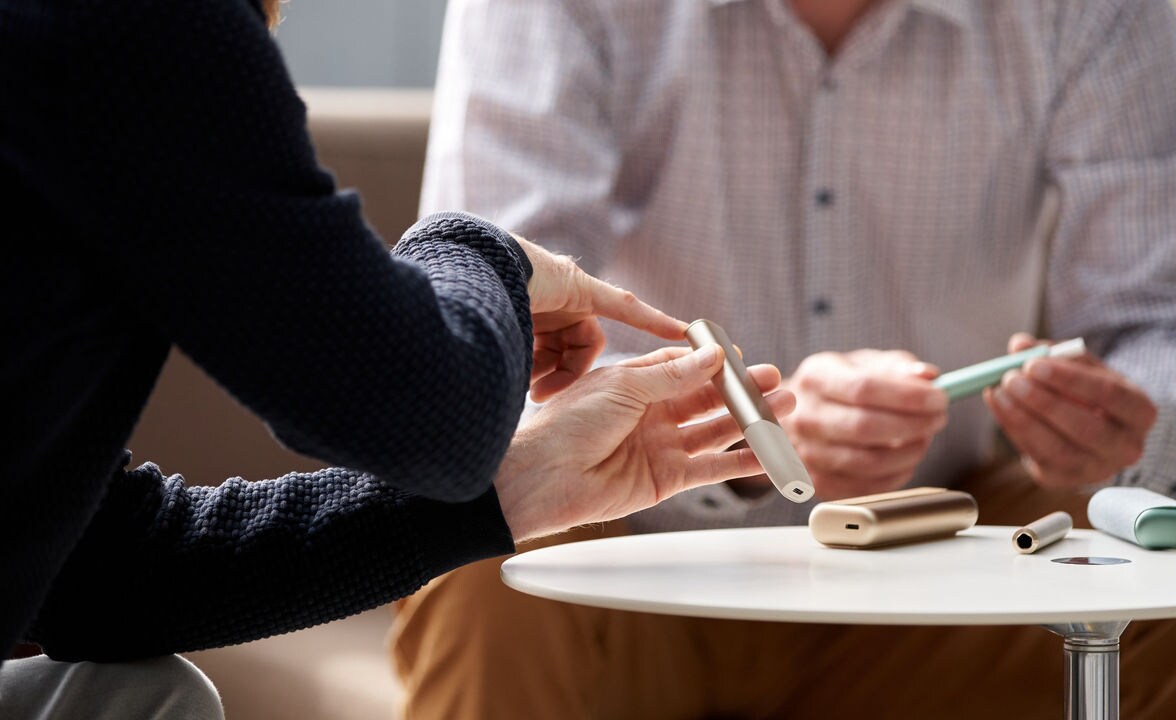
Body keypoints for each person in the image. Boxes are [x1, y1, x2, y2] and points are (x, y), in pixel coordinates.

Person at [394, 0, 1176, 717]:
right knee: (475, 560)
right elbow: (484, 361)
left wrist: (1120, 434)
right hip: (629, 562)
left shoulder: (1089, 14)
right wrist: (739, 443)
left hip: (955, 564)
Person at [0, 0, 795, 717]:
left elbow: (84, 575)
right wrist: (479, 251)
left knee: (145, 700)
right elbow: (430, 410)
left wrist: (509, 492)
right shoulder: (133, 24)